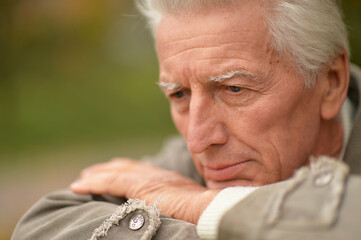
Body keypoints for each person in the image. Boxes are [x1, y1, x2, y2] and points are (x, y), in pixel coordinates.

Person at [12, 0, 361, 239]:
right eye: (179, 94)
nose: (197, 139)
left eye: (234, 89)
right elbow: (40, 225)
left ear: (330, 84)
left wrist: (201, 207)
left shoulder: (186, 188)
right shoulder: (208, 164)